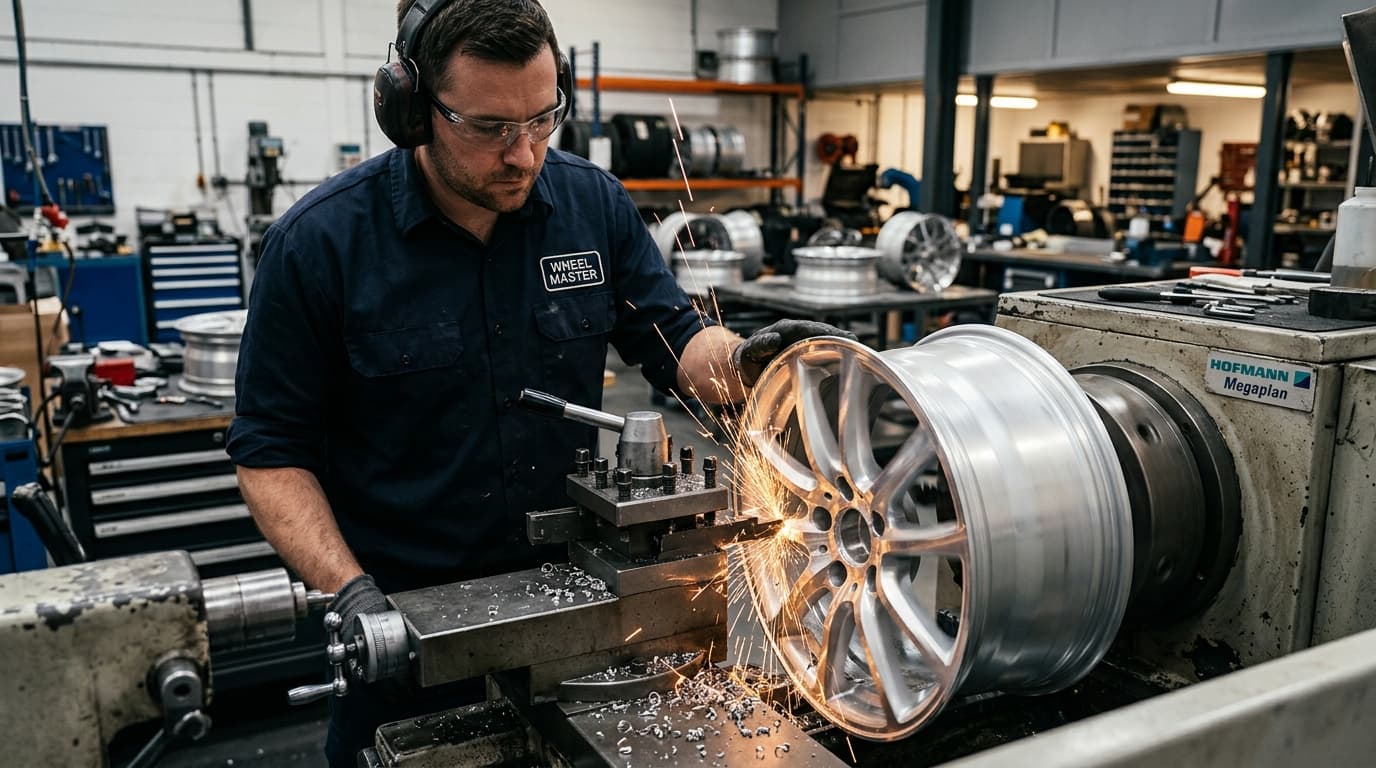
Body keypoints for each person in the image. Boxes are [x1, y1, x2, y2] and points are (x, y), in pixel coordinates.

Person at [225, 1, 851, 764]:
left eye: (541, 119)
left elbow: (682, 344)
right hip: (410, 640)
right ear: (413, 110)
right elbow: (270, 454)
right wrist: (352, 594)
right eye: (489, 128)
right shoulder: (319, 245)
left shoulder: (593, 207)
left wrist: (746, 359)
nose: (523, 154)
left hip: (584, 620)